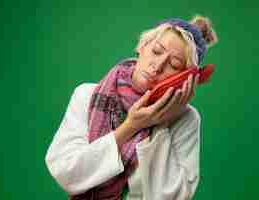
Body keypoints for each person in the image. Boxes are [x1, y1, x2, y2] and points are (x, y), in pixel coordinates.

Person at [45, 14, 218, 200]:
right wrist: (131, 126)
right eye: (157, 51)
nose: (158, 66)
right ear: (141, 46)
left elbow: (174, 196)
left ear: (183, 78)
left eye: (174, 64)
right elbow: (66, 174)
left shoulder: (186, 118)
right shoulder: (86, 95)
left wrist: (162, 123)